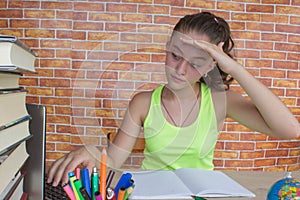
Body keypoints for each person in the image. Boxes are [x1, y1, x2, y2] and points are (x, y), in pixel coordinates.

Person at [47, 12, 299, 187]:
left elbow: (290, 130)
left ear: (212, 65)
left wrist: (233, 68)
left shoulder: (221, 100)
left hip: (200, 194)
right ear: (168, 47)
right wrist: (95, 152)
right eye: (175, 55)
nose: (179, 70)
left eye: (195, 63)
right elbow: (114, 159)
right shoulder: (143, 103)